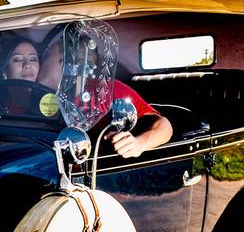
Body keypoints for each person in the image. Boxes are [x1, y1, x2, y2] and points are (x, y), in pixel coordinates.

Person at [37, 35, 172, 158]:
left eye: (46, 56)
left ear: (65, 63)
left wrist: (138, 144)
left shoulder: (106, 89)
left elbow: (164, 126)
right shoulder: (30, 94)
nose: (38, 61)